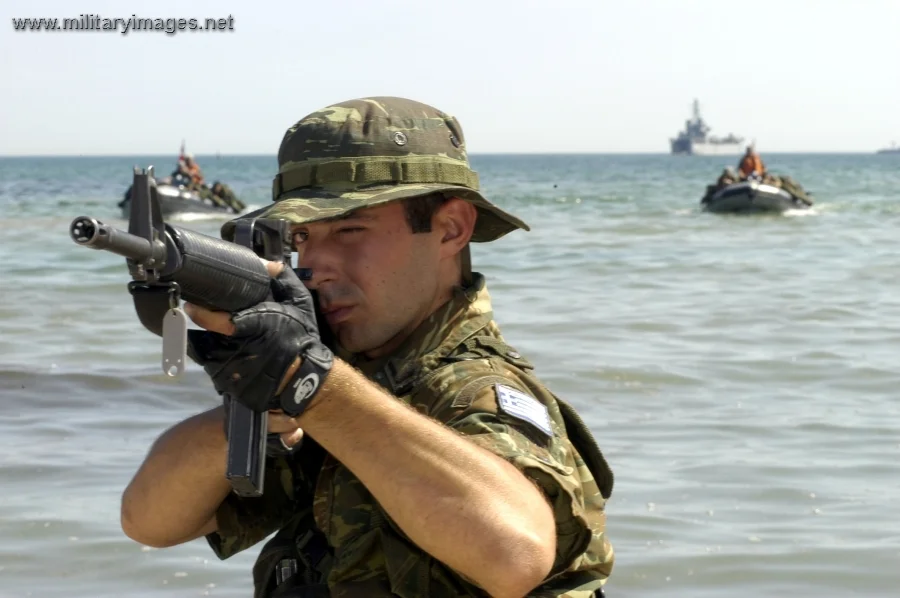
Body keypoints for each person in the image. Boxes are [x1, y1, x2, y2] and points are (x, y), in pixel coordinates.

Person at [120, 96, 615, 598]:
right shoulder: (350, 376)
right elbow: (149, 522)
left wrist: (310, 385)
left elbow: (516, 556)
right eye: (303, 237)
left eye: (350, 230)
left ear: (450, 228)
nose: (315, 264)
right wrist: (257, 399)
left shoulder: (475, 388)